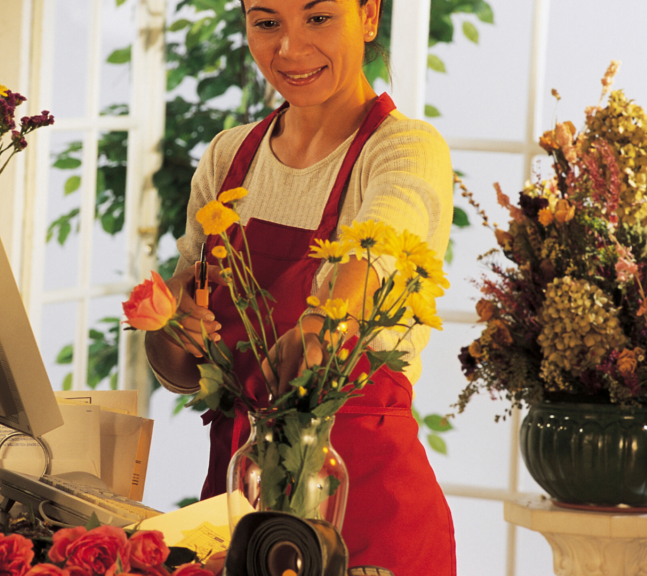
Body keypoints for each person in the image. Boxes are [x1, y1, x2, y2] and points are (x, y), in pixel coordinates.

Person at [145, 0, 456, 573]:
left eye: (318, 18)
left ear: (368, 17)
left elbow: (376, 256)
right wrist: (172, 331)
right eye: (267, 23)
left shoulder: (404, 150)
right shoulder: (228, 156)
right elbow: (184, 371)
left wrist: (317, 328)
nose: (289, 49)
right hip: (239, 510)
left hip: (367, 519)